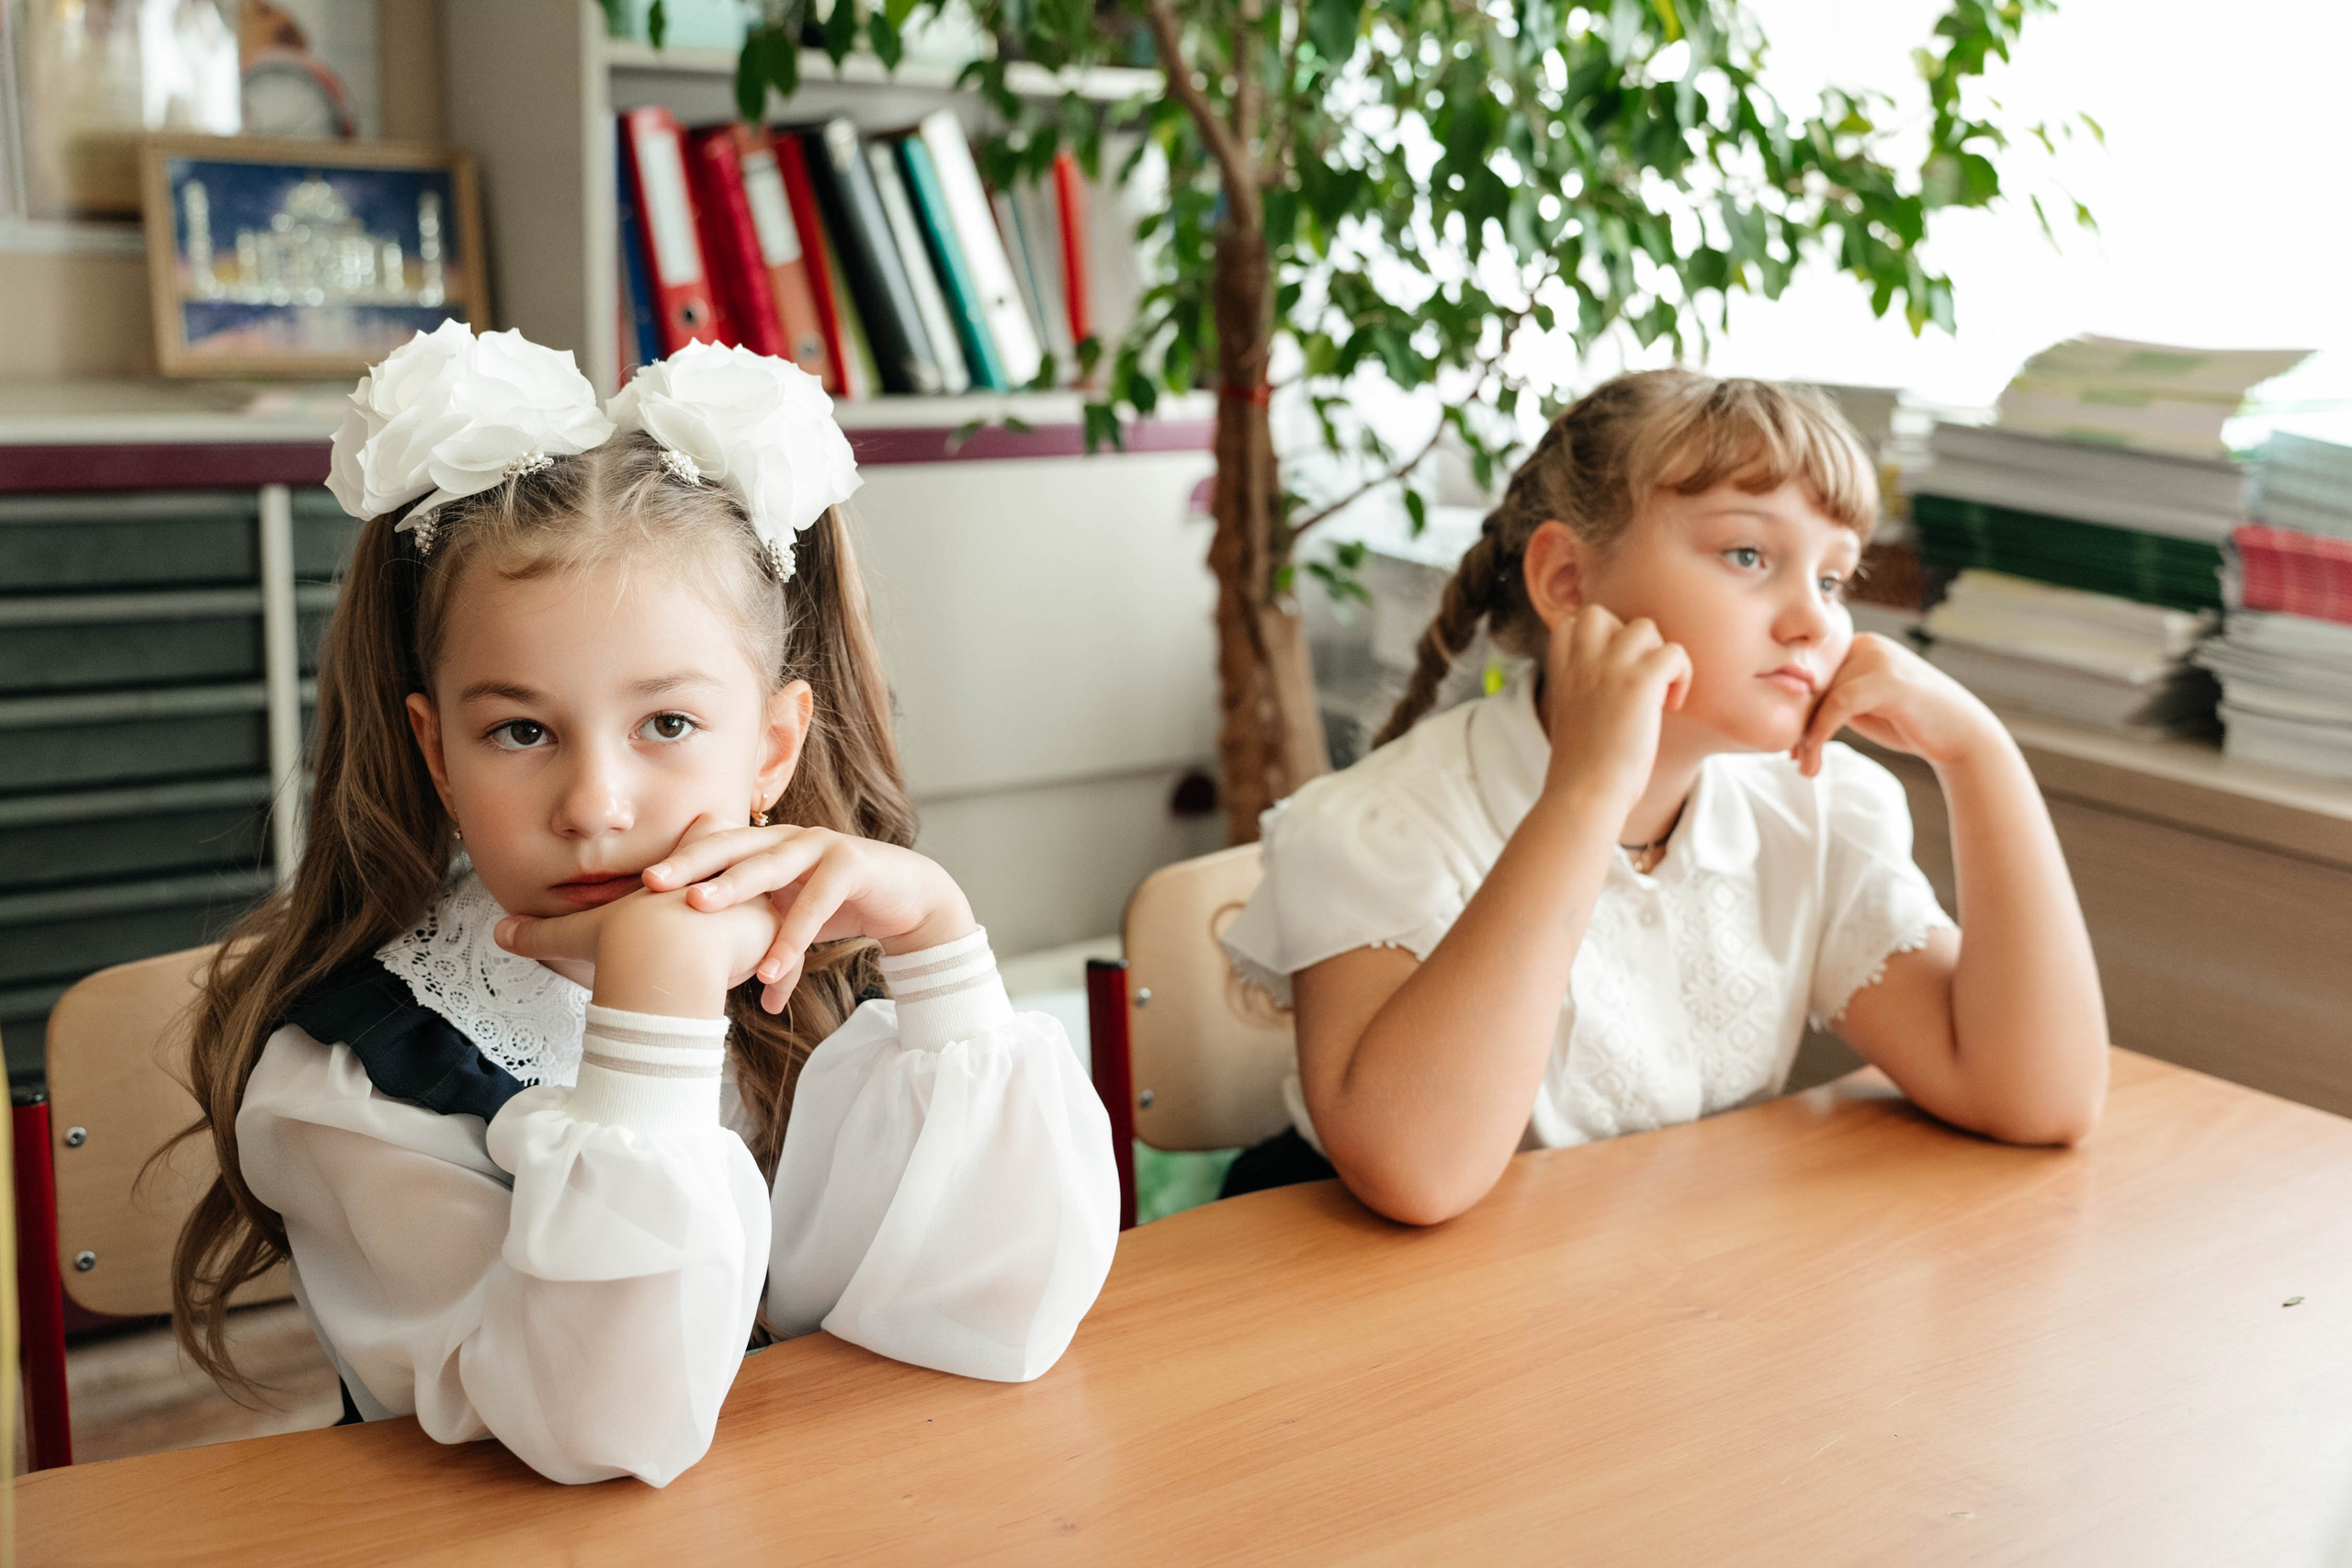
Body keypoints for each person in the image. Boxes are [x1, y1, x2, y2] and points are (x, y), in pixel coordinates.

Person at [168, 324, 1118, 1486]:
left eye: (666, 725)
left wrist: (939, 948)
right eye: (521, 731)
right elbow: (598, 1434)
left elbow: (987, 1315)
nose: (595, 806)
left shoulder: (826, 965)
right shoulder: (356, 1083)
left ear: (771, 749)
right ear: (435, 752)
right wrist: (657, 1005)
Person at [1221, 370, 2109, 1224]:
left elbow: (2037, 1096)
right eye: (1749, 554)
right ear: (1569, 583)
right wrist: (1589, 792)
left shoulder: (1817, 807)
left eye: (1834, 579)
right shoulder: (1380, 826)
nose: (1814, 619)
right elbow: (1419, 1171)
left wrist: (1981, 756)